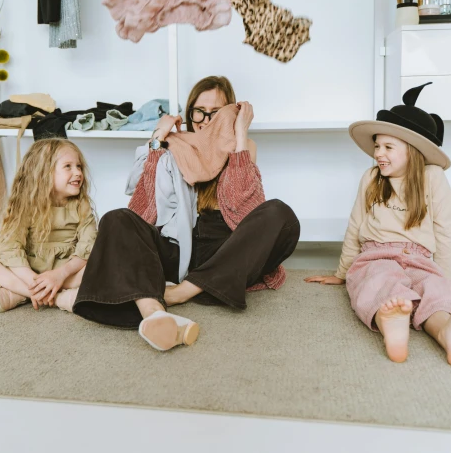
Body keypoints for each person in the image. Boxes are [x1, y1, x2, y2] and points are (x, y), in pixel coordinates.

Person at [71, 76, 300, 351]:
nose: (204, 120)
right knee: (116, 218)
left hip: (227, 251)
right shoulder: (174, 146)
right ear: (189, 112)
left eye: (215, 113)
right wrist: (157, 140)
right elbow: (144, 207)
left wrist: (239, 134)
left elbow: (246, 209)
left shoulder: (244, 146)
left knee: (281, 214)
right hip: (181, 250)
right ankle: (154, 311)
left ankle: (181, 293)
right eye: (198, 111)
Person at [306, 83, 451, 366]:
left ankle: (448, 332)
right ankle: (392, 323)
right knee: (379, 282)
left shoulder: (433, 178)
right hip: (375, 255)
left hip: (419, 257)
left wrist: (446, 278)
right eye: (377, 146)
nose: (379, 153)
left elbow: (445, 231)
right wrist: (343, 272)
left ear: (413, 151)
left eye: (388, 147)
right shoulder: (371, 178)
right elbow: (356, 224)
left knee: (436, 290)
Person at [0, 139, 97, 313]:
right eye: (68, 166)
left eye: (78, 166)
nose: (78, 172)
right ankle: (53, 297)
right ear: (44, 173)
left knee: (100, 263)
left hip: (63, 270)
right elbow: (11, 248)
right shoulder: (26, 205)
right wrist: (35, 281)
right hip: (28, 268)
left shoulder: (82, 206)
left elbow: (87, 247)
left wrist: (60, 275)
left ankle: (20, 293)